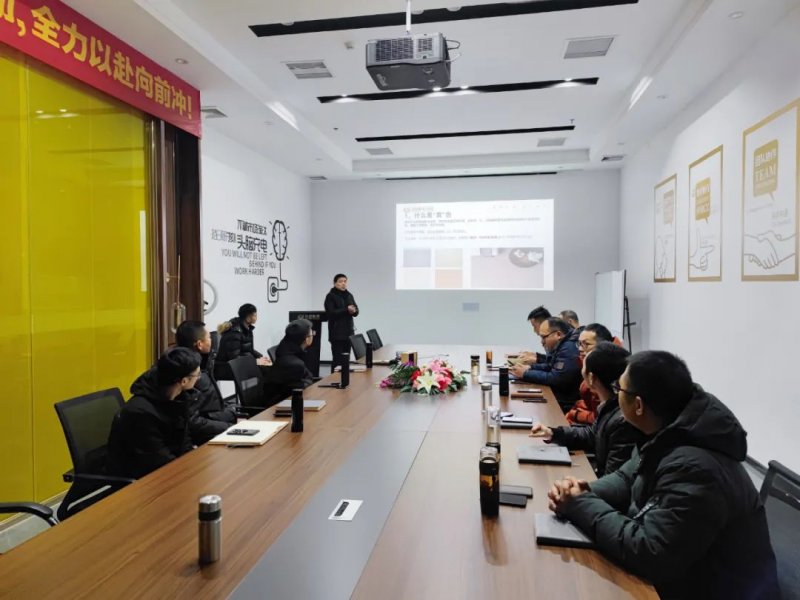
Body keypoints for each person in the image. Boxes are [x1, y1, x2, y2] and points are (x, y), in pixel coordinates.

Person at [546, 351, 779, 599]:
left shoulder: (695, 469)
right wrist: (580, 492)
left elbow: (651, 553)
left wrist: (582, 504)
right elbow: (626, 478)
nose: (615, 393)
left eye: (619, 388)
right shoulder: (665, 430)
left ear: (638, 405)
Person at [530, 342, 645, 476]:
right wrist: (553, 433)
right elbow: (592, 435)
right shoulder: (609, 406)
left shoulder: (622, 420)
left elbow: (615, 478)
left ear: (591, 378)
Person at [106, 347, 200, 479]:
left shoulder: (179, 398)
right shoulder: (140, 413)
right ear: (184, 381)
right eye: (197, 375)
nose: (199, 379)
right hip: (143, 481)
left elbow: (183, 441)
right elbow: (158, 461)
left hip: (169, 470)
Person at [176, 320, 237, 444]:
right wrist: (230, 427)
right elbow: (194, 422)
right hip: (205, 438)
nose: (212, 340)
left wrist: (230, 414)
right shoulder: (190, 375)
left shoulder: (203, 364)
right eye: (209, 337)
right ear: (199, 344)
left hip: (215, 426)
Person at [510, 317, 581, 412]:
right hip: (560, 397)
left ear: (558, 334)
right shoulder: (563, 344)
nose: (542, 342)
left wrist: (526, 374)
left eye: (544, 337)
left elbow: (556, 378)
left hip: (565, 403)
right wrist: (529, 368)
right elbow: (549, 366)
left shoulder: (568, 349)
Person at [566, 322, 615, 426]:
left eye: (586, 344)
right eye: (579, 344)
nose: (580, 349)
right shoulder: (589, 362)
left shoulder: (609, 370)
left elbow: (603, 416)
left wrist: (577, 414)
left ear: (603, 346)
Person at [264, 319, 315, 406]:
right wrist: (308, 380)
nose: (313, 335)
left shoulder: (287, 350)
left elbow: (308, 378)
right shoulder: (293, 364)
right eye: (312, 334)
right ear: (306, 339)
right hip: (277, 407)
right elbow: (301, 389)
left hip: (283, 402)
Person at [215, 303, 271, 379]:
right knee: (265, 371)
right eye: (255, 315)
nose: (256, 317)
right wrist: (255, 361)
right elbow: (234, 358)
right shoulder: (234, 332)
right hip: (226, 368)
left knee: (267, 367)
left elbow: (250, 350)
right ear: (248, 317)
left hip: (238, 364)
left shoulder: (247, 328)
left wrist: (261, 358)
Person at [324, 274, 358, 370]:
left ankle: (345, 377)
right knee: (337, 360)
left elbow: (357, 311)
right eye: (340, 281)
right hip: (336, 333)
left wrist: (354, 311)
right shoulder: (330, 296)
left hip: (349, 332)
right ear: (335, 283)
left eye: (345, 281)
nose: (343, 283)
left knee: (346, 359)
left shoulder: (349, 295)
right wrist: (346, 309)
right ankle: (334, 378)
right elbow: (331, 313)